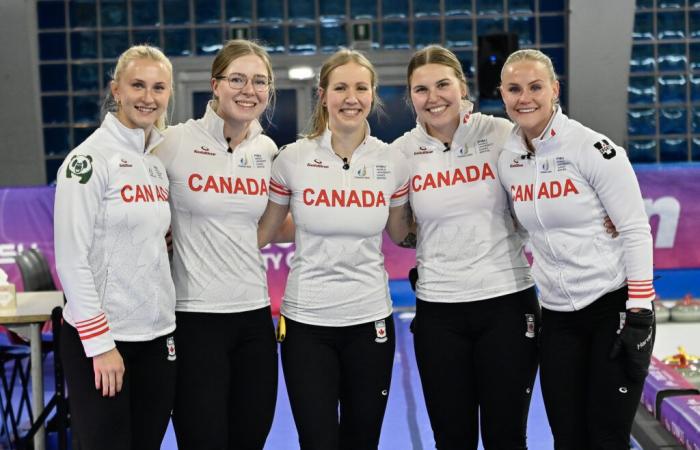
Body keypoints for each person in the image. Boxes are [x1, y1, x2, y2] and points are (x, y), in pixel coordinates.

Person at [497, 49, 655, 449]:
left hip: (612, 306)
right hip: (557, 316)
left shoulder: (592, 148)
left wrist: (639, 312)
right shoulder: (508, 159)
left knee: (606, 437)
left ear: (554, 88)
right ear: (502, 95)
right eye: (514, 89)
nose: (525, 97)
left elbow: (635, 229)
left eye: (535, 86)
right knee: (568, 438)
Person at [257, 48, 410, 450]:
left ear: (373, 94)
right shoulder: (292, 159)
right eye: (340, 87)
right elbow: (265, 231)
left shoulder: (392, 161)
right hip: (306, 324)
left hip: (370, 320)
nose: (351, 97)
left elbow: (401, 233)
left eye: (361, 88)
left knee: (362, 440)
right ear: (323, 94)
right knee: (318, 441)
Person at [390, 45, 539, 449]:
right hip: (439, 310)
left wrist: (604, 214)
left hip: (506, 302)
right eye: (421, 90)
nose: (433, 97)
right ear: (410, 96)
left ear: (462, 86)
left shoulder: (501, 133)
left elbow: (563, 166)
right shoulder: (401, 153)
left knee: (506, 437)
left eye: (442, 84)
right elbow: (399, 231)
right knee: (452, 439)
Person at [155, 39, 280, 449]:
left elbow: (271, 223)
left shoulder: (267, 150)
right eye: (237, 79)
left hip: (254, 317)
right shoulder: (171, 142)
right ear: (215, 85)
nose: (249, 90)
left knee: (251, 437)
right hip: (195, 319)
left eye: (259, 81)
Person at [54, 45, 176, 450]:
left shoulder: (155, 162)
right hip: (106, 343)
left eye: (158, 87)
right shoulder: (88, 159)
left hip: (157, 338)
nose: (148, 97)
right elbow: (71, 258)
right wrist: (101, 345)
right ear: (116, 90)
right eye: (137, 85)